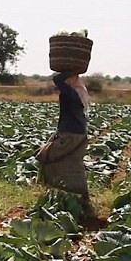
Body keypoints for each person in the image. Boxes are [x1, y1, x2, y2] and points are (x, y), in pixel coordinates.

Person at [35, 71, 90, 202]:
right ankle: (78, 195)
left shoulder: (72, 92)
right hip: (77, 132)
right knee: (73, 162)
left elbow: (57, 79)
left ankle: (58, 189)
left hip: (70, 133)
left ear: (74, 78)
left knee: (46, 156)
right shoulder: (78, 91)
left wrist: (70, 70)